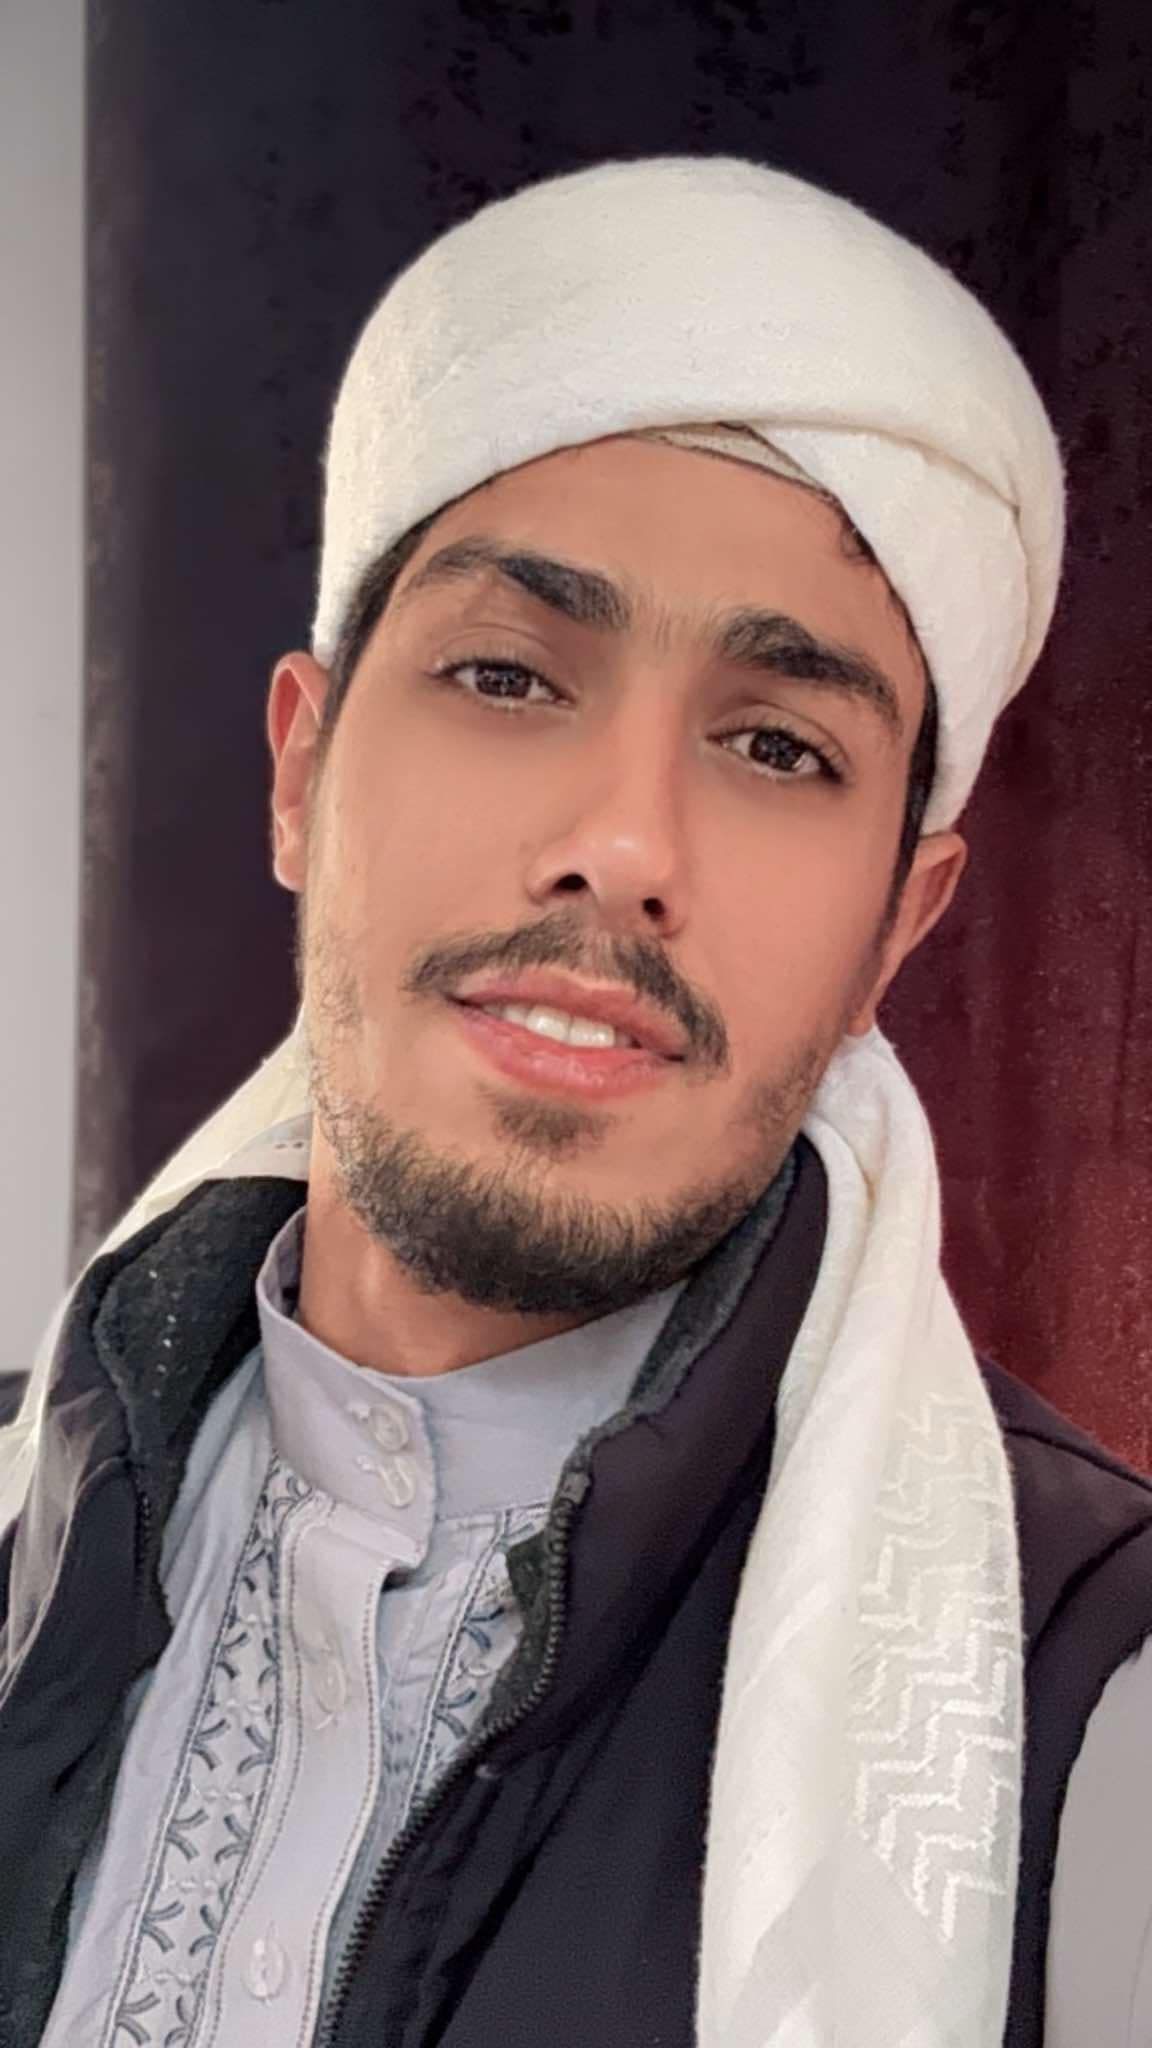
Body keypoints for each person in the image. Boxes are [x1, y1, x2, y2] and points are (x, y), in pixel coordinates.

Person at [2, 154, 1150, 2048]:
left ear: (901, 922)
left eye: (777, 743)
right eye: (507, 675)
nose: (624, 844)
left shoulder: (1092, 1699)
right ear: (300, 774)